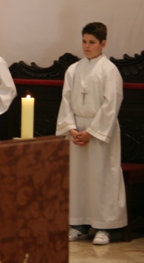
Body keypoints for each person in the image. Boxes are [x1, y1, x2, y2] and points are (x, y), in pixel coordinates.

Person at [56, 22, 127, 246]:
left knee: (101, 176)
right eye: (84, 41)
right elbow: (66, 99)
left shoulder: (109, 70)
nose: (87, 46)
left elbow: (111, 103)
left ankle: (105, 226)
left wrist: (91, 132)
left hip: (99, 131)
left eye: (92, 42)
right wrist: (71, 128)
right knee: (78, 177)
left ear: (103, 44)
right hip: (77, 128)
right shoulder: (73, 69)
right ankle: (78, 223)